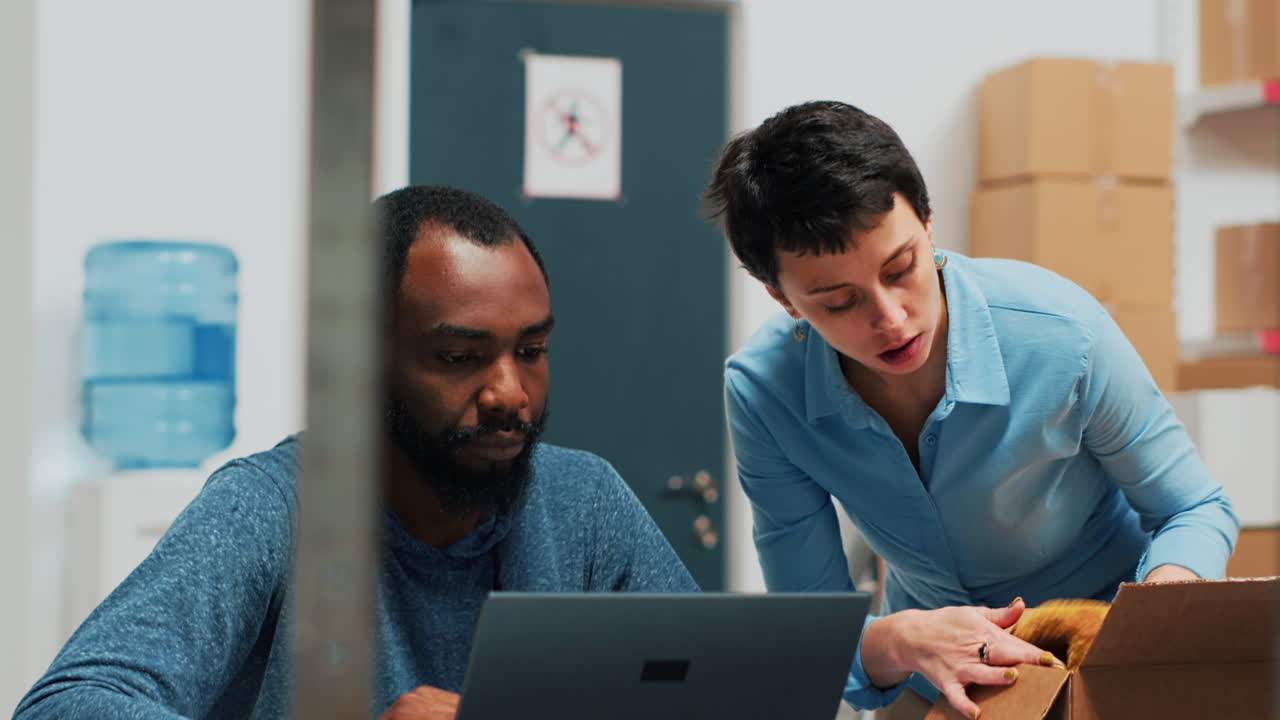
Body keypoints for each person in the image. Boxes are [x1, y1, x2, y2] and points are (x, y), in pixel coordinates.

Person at [15, 185, 698, 720]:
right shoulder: (272, 509)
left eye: (532, 352)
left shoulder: (586, 503)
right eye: (460, 356)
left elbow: (713, 691)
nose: (509, 393)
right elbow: (66, 706)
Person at [705, 101, 1238, 719]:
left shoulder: (1062, 335)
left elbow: (1194, 507)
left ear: (929, 225)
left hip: (1100, 643)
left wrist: (1152, 621)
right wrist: (902, 638)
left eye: (900, 268)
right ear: (783, 299)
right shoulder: (765, 392)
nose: (890, 317)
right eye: (837, 302)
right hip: (936, 663)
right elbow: (809, 627)